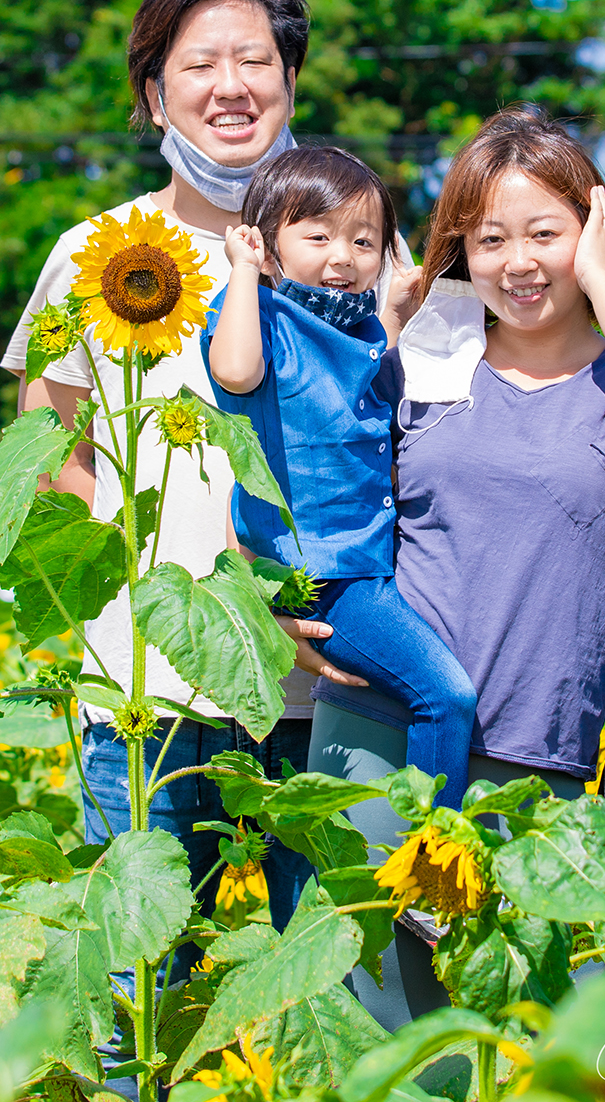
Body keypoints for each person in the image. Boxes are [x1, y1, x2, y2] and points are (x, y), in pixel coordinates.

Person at [304, 108, 605, 1028]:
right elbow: (304, 484)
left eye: (546, 233)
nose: (517, 262)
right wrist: (285, 620)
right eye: (489, 238)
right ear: (459, 248)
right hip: (381, 748)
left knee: (543, 1052)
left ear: (593, 233)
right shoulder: (423, 364)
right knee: (384, 1058)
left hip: (540, 768)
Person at [0, 0, 379, 932]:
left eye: (254, 60)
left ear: (291, 83)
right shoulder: (93, 253)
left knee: (342, 980)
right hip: (146, 699)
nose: (231, 86)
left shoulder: (360, 250)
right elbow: (50, 461)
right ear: (154, 93)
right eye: (199, 62)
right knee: (140, 988)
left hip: (338, 685)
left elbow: (411, 453)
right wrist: (91, 645)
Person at [203, 146, 478, 813]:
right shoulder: (259, 316)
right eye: (318, 235)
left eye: (364, 241)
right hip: (326, 576)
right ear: (268, 245)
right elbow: (236, 372)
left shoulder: (353, 328)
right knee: (447, 696)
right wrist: (242, 273)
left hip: (370, 563)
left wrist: (401, 311)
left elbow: (367, 384)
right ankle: (436, 857)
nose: (343, 256)